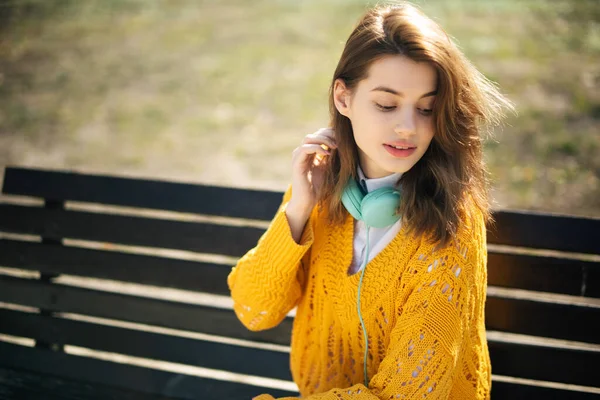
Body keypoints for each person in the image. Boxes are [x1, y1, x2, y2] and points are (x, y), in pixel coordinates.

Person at [227, 2, 513, 399]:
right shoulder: (321, 188)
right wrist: (298, 210)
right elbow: (253, 309)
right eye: (386, 104)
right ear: (344, 99)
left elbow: (405, 394)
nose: (408, 127)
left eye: (426, 108)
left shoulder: (453, 225)